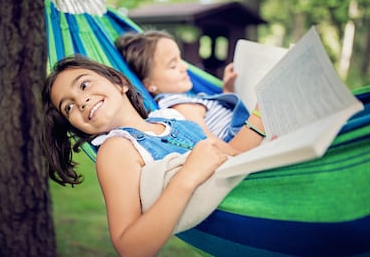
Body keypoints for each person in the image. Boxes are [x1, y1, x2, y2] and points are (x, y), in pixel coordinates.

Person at [42, 54, 265, 256]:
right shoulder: (116, 149)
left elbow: (235, 153)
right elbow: (129, 247)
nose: (80, 101)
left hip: (258, 197)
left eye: (84, 84)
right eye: (68, 107)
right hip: (243, 220)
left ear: (119, 83)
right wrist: (188, 176)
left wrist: (261, 109)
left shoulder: (171, 116)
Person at [115, 30, 264, 152]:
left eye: (180, 59)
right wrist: (259, 115)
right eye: (173, 65)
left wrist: (228, 90)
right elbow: (219, 149)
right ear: (149, 85)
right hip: (243, 146)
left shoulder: (186, 98)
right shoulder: (180, 107)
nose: (184, 67)